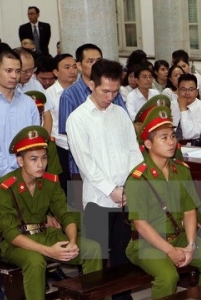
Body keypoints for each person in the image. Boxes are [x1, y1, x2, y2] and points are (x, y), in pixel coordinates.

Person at [0, 125, 102, 300]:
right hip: (16, 244)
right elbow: (11, 234)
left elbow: (66, 215)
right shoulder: (5, 188)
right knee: (35, 261)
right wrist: (49, 251)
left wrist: (72, 242)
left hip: (46, 234)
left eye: (44, 158)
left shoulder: (50, 182)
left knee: (93, 248)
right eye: (33, 159)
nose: (41, 164)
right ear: (20, 161)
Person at [66, 59, 143, 300]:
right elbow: (86, 163)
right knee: (96, 260)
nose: (110, 96)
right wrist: (112, 189)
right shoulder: (77, 119)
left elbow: (134, 152)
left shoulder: (120, 114)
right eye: (105, 91)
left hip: (125, 198)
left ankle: (123, 297)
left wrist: (130, 185)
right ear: (91, 84)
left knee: (122, 257)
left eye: (115, 91)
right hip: (98, 200)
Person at [124, 105, 201, 298]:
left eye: (172, 136)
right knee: (168, 277)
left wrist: (190, 245)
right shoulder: (138, 178)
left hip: (178, 237)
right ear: (148, 144)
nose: (171, 142)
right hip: (145, 244)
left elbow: (189, 211)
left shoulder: (181, 170)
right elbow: (141, 224)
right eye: (164, 137)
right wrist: (170, 251)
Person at [0, 50, 40, 300]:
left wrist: (27, 176)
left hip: (26, 179)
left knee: (29, 234)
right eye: (8, 70)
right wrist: (13, 178)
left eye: (18, 71)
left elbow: (34, 143)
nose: (15, 76)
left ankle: (27, 291)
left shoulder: (27, 102)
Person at [58, 43, 126, 182]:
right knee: (80, 203)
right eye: (90, 61)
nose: (96, 65)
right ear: (78, 65)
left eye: (99, 61)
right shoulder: (69, 95)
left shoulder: (114, 92)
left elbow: (124, 123)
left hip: (113, 166)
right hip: (81, 169)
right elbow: (69, 135)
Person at [47, 53, 78, 194]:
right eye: (67, 67)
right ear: (55, 72)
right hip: (61, 147)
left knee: (80, 186)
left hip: (81, 144)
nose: (72, 71)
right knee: (66, 186)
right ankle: (70, 215)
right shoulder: (49, 94)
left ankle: (81, 214)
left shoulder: (82, 90)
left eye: (74, 66)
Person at [14, 47, 53, 134]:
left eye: (32, 69)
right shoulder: (7, 88)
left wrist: (43, 139)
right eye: (25, 71)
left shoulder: (35, 84)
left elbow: (47, 115)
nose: (30, 74)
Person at [172, 73, 201, 141]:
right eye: (183, 89)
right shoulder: (171, 105)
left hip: (195, 148)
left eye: (191, 89)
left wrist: (183, 110)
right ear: (178, 91)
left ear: (197, 92)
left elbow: (188, 135)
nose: (187, 93)